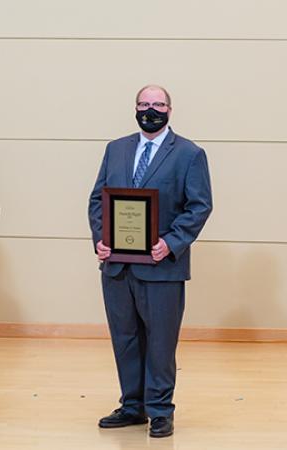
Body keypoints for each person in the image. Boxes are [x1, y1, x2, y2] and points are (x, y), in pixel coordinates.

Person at [88, 85, 212, 438]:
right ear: (134, 108)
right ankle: (132, 406)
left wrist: (170, 243)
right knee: (125, 338)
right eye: (144, 104)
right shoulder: (116, 149)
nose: (150, 110)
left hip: (162, 266)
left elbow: (199, 205)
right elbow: (98, 199)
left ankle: (160, 410)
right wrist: (101, 239)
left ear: (170, 110)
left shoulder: (189, 153)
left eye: (157, 104)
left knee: (160, 341)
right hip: (117, 266)